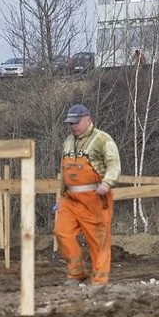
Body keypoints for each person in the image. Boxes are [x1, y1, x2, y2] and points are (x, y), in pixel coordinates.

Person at [53, 104, 121, 292]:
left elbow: (114, 164)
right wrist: (61, 195)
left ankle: (99, 282)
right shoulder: (68, 141)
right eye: (70, 123)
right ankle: (76, 273)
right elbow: (64, 169)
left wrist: (107, 183)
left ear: (87, 120)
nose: (73, 126)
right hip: (70, 199)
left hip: (94, 199)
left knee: (98, 241)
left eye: (76, 122)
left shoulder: (102, 140)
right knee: (62, 232)